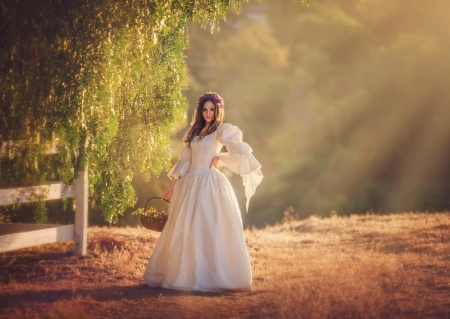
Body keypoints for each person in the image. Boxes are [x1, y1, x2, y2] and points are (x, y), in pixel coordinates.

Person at [144, 92, 263, 292]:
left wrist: (221, 157)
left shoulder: (221, 130)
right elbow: (185, 160)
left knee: (208, 226)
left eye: (212, 109)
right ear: (200, 111)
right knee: (186, 228)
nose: (208, 113)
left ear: (218, 111)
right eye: (205, 109)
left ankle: (212, 276)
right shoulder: (193, 131)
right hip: (190, 182)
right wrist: (172, 185)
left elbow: (240, 150)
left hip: (210, 183)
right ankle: (185, 274)